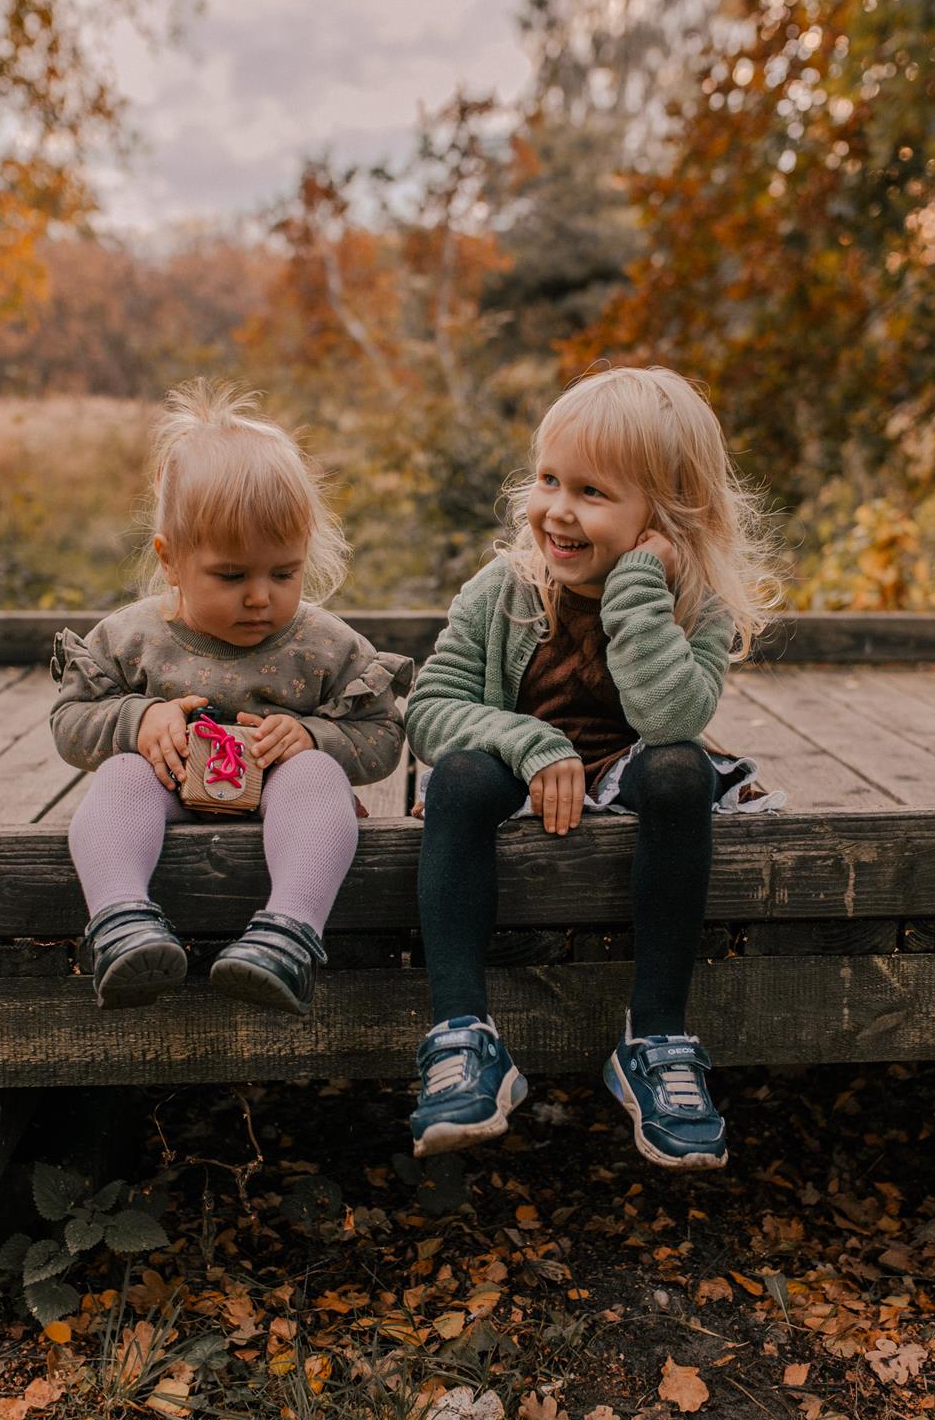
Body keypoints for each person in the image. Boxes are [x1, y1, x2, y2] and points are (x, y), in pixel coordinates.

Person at [405, 365, 779, 1169]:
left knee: (682, 771)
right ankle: (464, 1038)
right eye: (548, 480)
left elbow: (671, 719)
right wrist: (532, 744)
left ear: (666, 515)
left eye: (593, 492)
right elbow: (429, 711)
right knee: (463, 776)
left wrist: (640, 588)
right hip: (518, 766)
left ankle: (656, 1040)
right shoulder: (503, 590)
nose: (558, 510)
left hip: (630, 763)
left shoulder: (693, 602)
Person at [51, 380, 411, 1013]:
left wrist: (313, 737)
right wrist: (139, 720)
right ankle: (120, 922)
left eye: (284, 573)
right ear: (171, 559)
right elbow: (71, 720)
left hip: (279, 796)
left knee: (317, 776)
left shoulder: (324, 645)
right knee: (119, 781)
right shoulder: (133, 637)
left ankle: (288, 936)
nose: (260, 597)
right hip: (167, 795)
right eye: (231, 575)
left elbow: (383, 733)